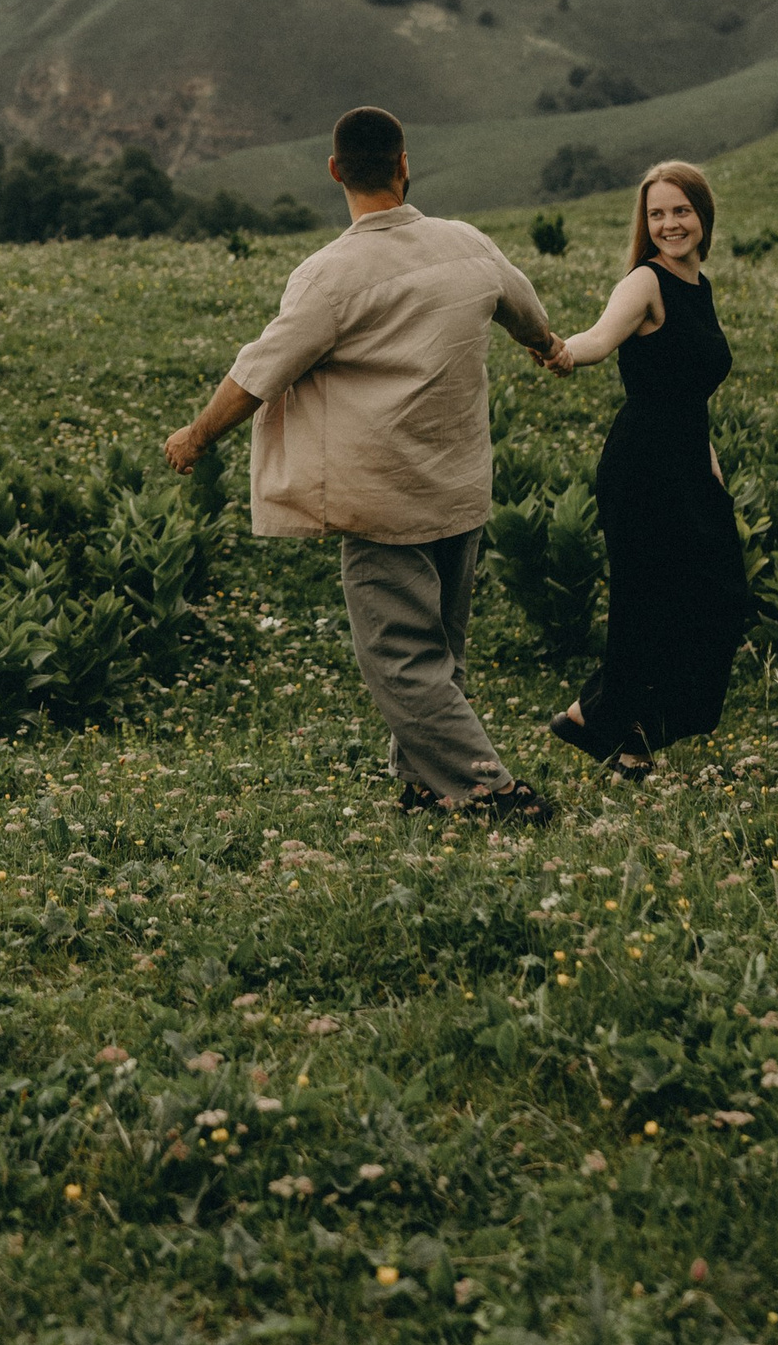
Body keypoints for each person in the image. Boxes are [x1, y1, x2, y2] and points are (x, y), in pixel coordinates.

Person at [163, 102, 565, 823]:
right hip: (461, 486)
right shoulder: (468, 243)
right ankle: (425, 787)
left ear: (334, 172)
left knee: (402, 661)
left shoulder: (330, 276)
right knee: (441, 649)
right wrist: (543, 344)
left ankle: (491, 790)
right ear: (405, 165)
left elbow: (259, 374)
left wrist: (196, 437)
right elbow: (527, 310)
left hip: (382, 500)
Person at [544, 157, 750, 779]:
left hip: (689, 464)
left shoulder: (700, 286)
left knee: (719, 600)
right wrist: (561, 351)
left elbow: (690, 391)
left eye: (680, 210)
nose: (669, 224)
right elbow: (600, 338)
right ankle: (629, 741)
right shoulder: (645, 283)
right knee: (649, 603)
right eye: (656, 213)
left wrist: (710, 464)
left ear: (703, 215)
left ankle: (593, 714)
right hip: (642, 468)